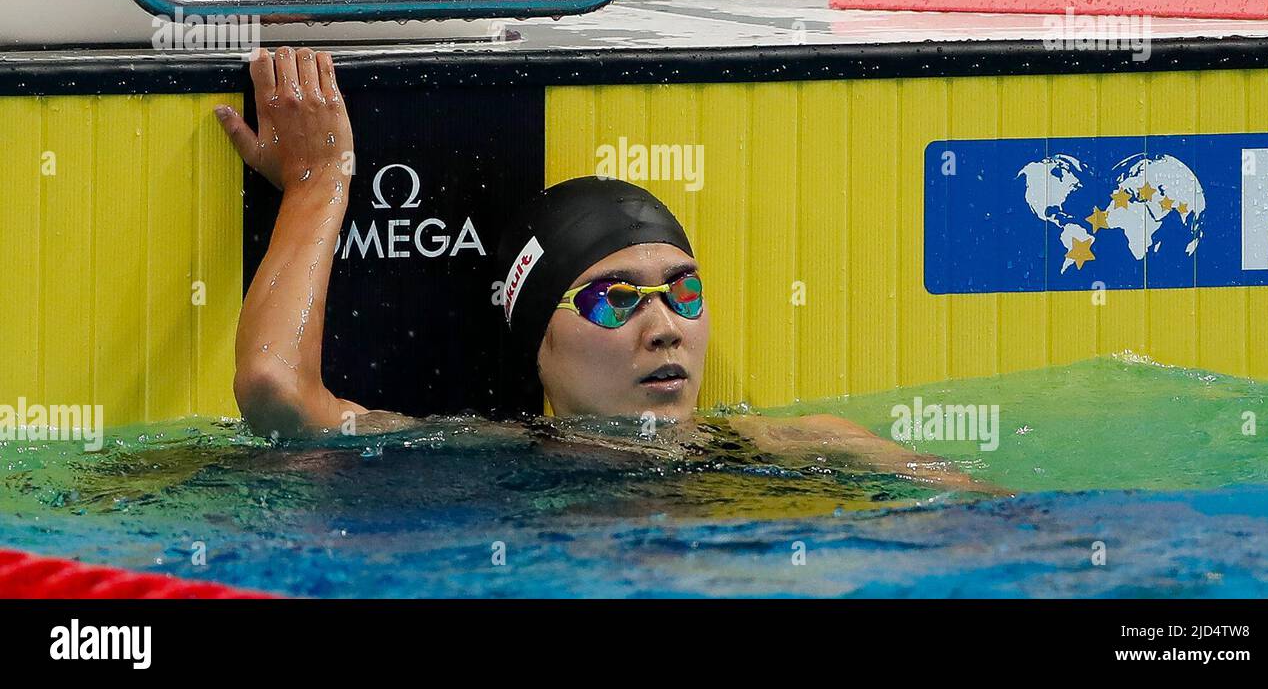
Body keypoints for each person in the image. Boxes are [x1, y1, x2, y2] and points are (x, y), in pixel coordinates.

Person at [215, 47, 1010, 496]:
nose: (664, 326)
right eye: (612, 301)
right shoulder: (469, 452)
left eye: (683, 291)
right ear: (536, 339)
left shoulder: (812, 446)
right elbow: (278, 397)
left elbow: (1010, 523)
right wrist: (321, 186)